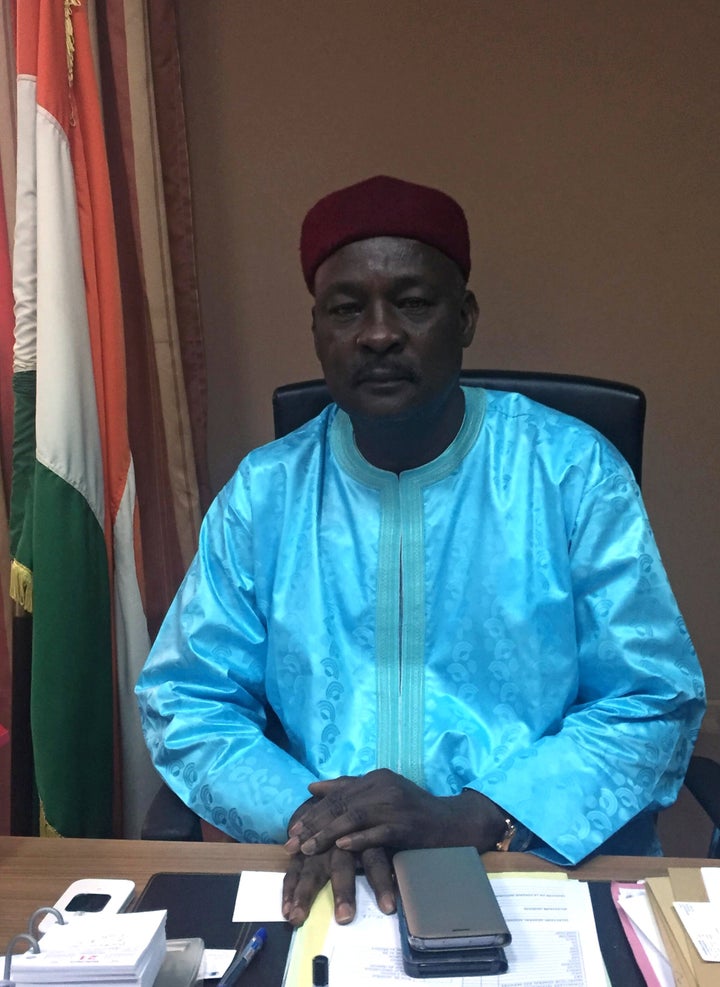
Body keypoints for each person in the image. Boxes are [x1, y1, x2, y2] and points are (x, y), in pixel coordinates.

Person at [136, 175, 705, 928]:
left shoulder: (570, 472)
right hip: (322, 872)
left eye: (412, 302)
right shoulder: (265, 493)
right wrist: (315, 822)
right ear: (316, 329)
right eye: (347, 308)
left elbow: (650, 698)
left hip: (528, 859)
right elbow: (188, 699)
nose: (378, 333)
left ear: (464, 318)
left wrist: (474, 815)